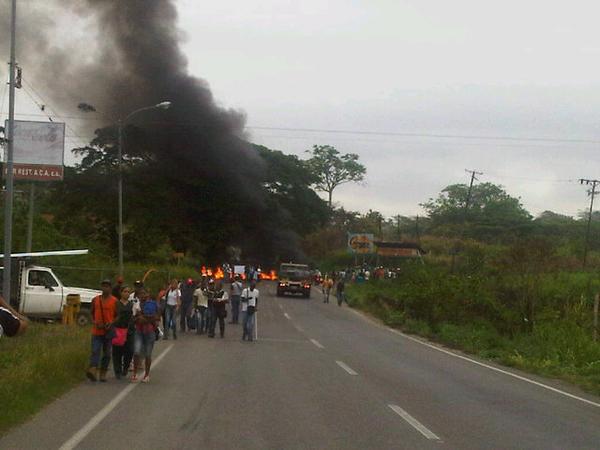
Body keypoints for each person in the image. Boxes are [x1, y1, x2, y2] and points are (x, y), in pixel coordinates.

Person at [86, 280, 118, 382]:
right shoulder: (95, 300)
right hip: (97, 330)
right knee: (95, 351)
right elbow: (91, 313)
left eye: (107, 286)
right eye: (104, 286)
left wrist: (112, 323)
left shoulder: (114, 301)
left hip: (108, 331)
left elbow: (118, 316)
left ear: (110, 288)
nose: (105, 288)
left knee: (107, 353)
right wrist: (94, 322)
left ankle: (103, 372)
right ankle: (93, 370)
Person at [131, 288, 160, 383]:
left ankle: (146, 374)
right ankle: (134, 373)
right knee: (136, 352)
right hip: (139, 330)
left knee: (148, 354)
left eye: (144, 293)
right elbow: (133, 317)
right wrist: (139, 318)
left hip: (149, 331)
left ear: (148, 294)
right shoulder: (136, 304)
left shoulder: (153, 304)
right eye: (141, 294)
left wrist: (145, 318)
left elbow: (156, 317)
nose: (143, 295)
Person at [112, 286, 135, 379]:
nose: (126, 293)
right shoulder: (116, 304)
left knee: (129, 350)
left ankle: (125, 367)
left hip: (129, 331)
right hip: (118, 329)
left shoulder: (132, 304)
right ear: (121, 293)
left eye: (128, 292)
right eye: (125, 291)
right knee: (117, 351)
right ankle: (117, 371)